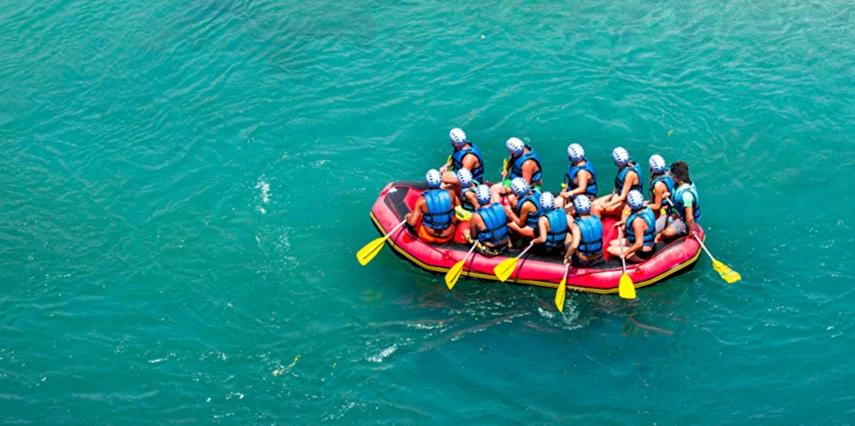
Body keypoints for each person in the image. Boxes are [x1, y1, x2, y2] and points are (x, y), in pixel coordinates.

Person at [405, 169, 460, 244]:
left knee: (416, 217)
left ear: (427, 183)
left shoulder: (422, 200)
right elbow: (457, 208)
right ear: (440, 181)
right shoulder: (451, 194)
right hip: (448, 236)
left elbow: (412, 223)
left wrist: (408, 217)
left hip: (428, 236)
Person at [592, 147, 642, 218]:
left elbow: (623, 196)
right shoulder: (628, 165)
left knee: (596, 208)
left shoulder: (630, 174)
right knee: (594, 204)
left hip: (629, 203)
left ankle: (597, 228)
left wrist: (608, 205)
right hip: (621, 196)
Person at [657, 161, 701, 241]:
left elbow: (690, 217)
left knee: (666, 233)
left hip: (683, 221)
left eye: (673, 176)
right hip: (674, 215)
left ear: (677, 177)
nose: (671, 178)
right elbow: (676, 194)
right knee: (654, 227)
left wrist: (691, 231)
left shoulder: (686, 196)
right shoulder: (679, 184)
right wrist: (669, 195)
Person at [608, 190, 655, 263]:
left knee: (610, 249)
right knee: (612, 243)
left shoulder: (637, 222)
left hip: (642, 252)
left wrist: (625, 253)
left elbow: (639, 244)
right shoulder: (647, 209)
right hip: (645, 244)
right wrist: (623, 221)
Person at [491, 137, 542, 202]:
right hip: (515, 182)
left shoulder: (527, 164)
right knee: (493, 188)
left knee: (510, 198)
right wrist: (506, 170)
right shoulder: (519, 152)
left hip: (527, 187)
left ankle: (497, 209)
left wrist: (508, 190)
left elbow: (525, 187)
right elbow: (511, 159)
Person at [464, 185, 511, 256]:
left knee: (465, 232)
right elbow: (507, 221)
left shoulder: (476, 216)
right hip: (505, 246)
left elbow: (473, 236)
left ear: (477, 198)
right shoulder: (500, 206)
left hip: (490, 250)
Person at [555, 143, 598, 214]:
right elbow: (573, 180)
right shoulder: (576, 164)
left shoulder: (582, 171)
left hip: (584, 199)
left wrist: (569, 193)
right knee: (554, 205)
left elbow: (582, 188)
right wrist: (566, 187)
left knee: (561, 213)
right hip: (573, 195)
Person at [563, 196, 604, 267]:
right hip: (600, 257)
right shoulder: (597, 219)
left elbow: (575, 246)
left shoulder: (577, 225)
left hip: (584, 261)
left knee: (567, 235)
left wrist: (566, 257)